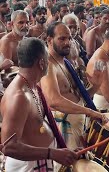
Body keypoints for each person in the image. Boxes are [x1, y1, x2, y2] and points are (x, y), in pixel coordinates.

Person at [1, 37, 78, 171]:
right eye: (47, 58)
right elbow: (9, 147)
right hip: (27, 166)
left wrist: (61, 151)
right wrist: (51, 153)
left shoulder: (32, 86)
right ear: (41, 62)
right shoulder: (19, 96)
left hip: (40, 161)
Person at [40, 22, 106, 150]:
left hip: (77, 123)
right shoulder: (48, 64)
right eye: (62, 38)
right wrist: (90, 111)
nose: (67, 42)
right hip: (62, 129)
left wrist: (96, 85)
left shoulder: (65, 62)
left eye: (69, 38)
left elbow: (77, 96)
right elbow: (54, 101)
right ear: (49, 40)